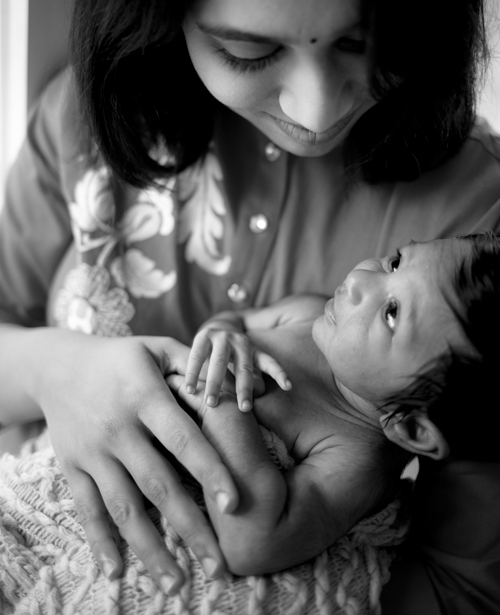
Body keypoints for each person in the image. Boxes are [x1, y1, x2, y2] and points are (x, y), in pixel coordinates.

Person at [0, 0, 499, 603]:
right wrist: (57, 371)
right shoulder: (82, 128)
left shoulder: (475, 244)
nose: (316, 107)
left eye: (367, 40)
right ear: (159, 5)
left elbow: (463, 588)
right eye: (248, 49)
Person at [160, 233, 497, 576]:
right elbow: (236, 321)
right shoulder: (310, 313)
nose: (358, 280)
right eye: (395, 262)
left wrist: (220, 402)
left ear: (411, 428)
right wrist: (220, 334)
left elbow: (251, 544)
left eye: (391, 314)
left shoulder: (356, 456)